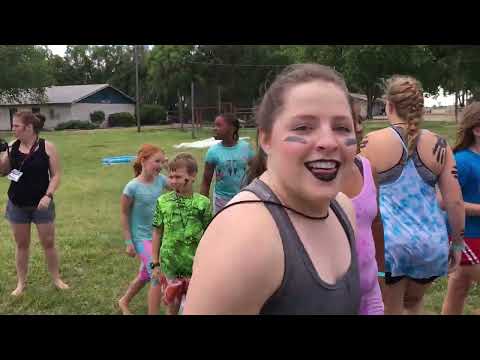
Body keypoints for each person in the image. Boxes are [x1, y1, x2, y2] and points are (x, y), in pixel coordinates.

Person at [184, 64, 360, 315]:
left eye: (342, 128)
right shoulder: (244, 238)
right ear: (265, 139)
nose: (329, 142)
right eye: (303, 127)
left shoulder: (343, 208)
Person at [359, 75, 465, 315]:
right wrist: (457, 244)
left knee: (390, 307)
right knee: (414, 305)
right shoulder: (440, 145)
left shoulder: (370, 143)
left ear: (390, 106)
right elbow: (455, 201)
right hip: (430, 245)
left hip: (387, 247)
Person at [0, 111, 69, 296]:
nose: (12, 128)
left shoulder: (47, 147)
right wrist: (3, 155)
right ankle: (21, 283)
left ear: (29, 127)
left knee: (48, 242)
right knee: (21, 244)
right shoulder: (12, 146)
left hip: (41, 204)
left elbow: (56, 175)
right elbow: (3, 172)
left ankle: (56, 278)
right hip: (17, 204)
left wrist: (48, 195)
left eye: (16, 125)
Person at [151, 153, 211, 315]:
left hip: (195, 265)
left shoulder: (203, 203)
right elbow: (157, 232)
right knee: (172, 305)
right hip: (170, 264)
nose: (173, 180)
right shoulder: (162, 201)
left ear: (192, 176)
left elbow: (210, 235)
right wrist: (155, 263)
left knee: (196, 306)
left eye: (178, 176)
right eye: (170, 176)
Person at [341, 98, 384, 315]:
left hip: (370, 294)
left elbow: (376, 223)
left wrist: (383, 275)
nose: (359, 127)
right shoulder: (314, 180)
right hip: (330, 301)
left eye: (359, 120)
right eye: (351, 121)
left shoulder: (367, 168)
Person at [118, 144, 169, 315]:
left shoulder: (161, 180)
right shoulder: (132, 187)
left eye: (162, 162)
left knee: (145, 276)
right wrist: (128, 242)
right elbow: (124, 214)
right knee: (156, 273)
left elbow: (179, 187)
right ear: (143, 161)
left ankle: (124, 301)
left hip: (158, 236)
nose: (160, 165)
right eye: (157, 161)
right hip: (141, 239)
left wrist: (171, 169)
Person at [442, 102, 480, 315]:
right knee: (458, 286)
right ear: (477, 130)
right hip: (465, 240)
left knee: (458, 288)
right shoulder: (462, 161)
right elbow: (443, 201)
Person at [201, 113, 255, 214]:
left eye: (219, 125)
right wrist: (202, 205)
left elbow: (257, 171)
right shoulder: (213, 152)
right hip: (221, 200)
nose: (214, 128)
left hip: (243, 198)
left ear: (232, 128)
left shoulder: (246, 148)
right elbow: (206, 181)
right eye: (214, 125)